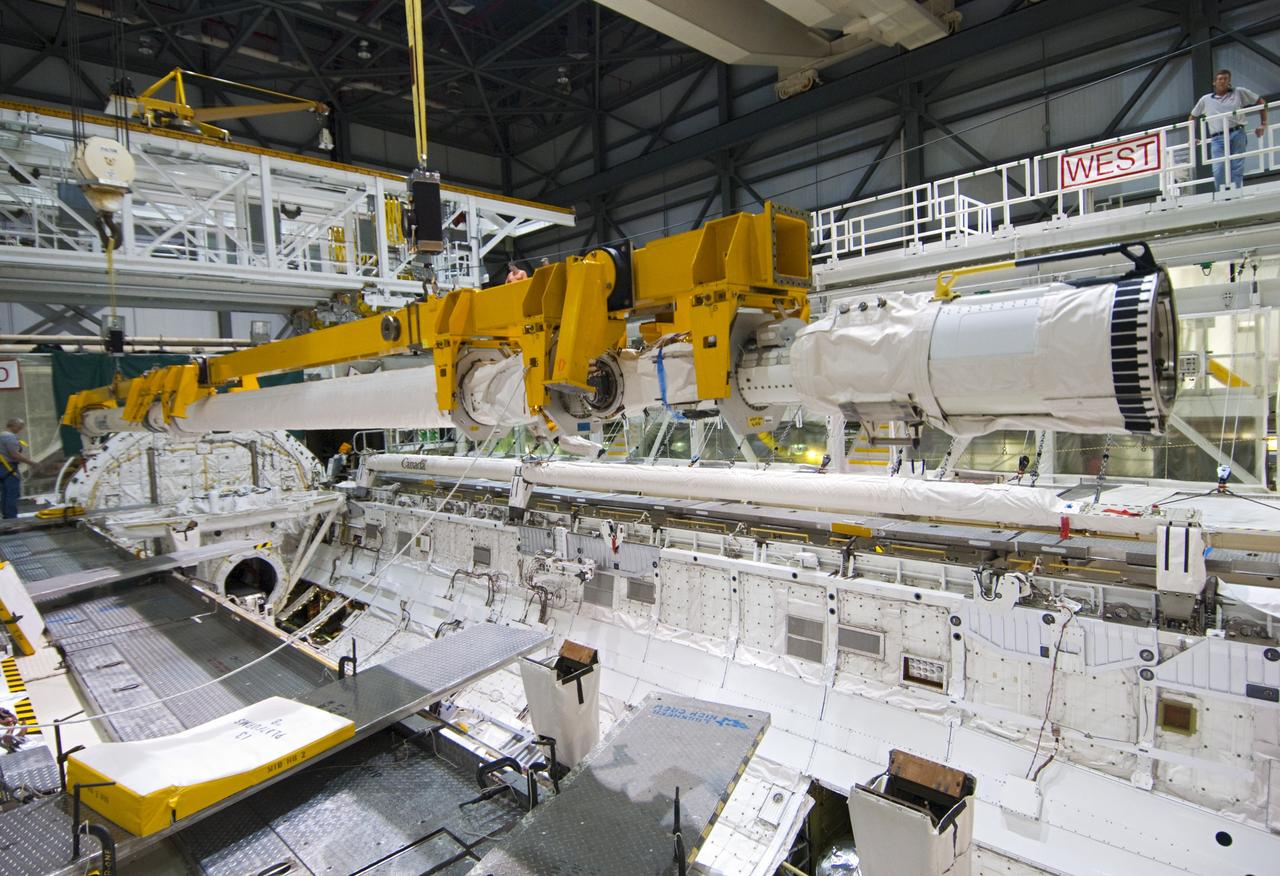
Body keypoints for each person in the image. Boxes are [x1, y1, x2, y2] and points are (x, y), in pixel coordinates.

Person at [1189, 69, 1268, 190]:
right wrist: (1191, 136)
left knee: (1237, 165)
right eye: (1220, 79)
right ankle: (1222, 194)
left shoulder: (1239, 92)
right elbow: (1193, 116)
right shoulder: (1206, 99)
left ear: (1229, 81)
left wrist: (1263, 124)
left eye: (1225, 79)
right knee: (1218, 167)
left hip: (1237, 133)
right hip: (1217, 137)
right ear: (1214, 82)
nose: (1222, 81)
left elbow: (1261, 102)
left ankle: (1236, 192)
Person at [0, 418, 34, 519]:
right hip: (9, 468)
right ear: (13, 425)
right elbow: (14, 454)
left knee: (5, 493)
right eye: (20, 426)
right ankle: (11, 517)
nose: (21, 429)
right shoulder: (9, 438)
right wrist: (32, 463)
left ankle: (6, 515)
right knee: (12, 494)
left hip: (3, 468)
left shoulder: (2, 436)